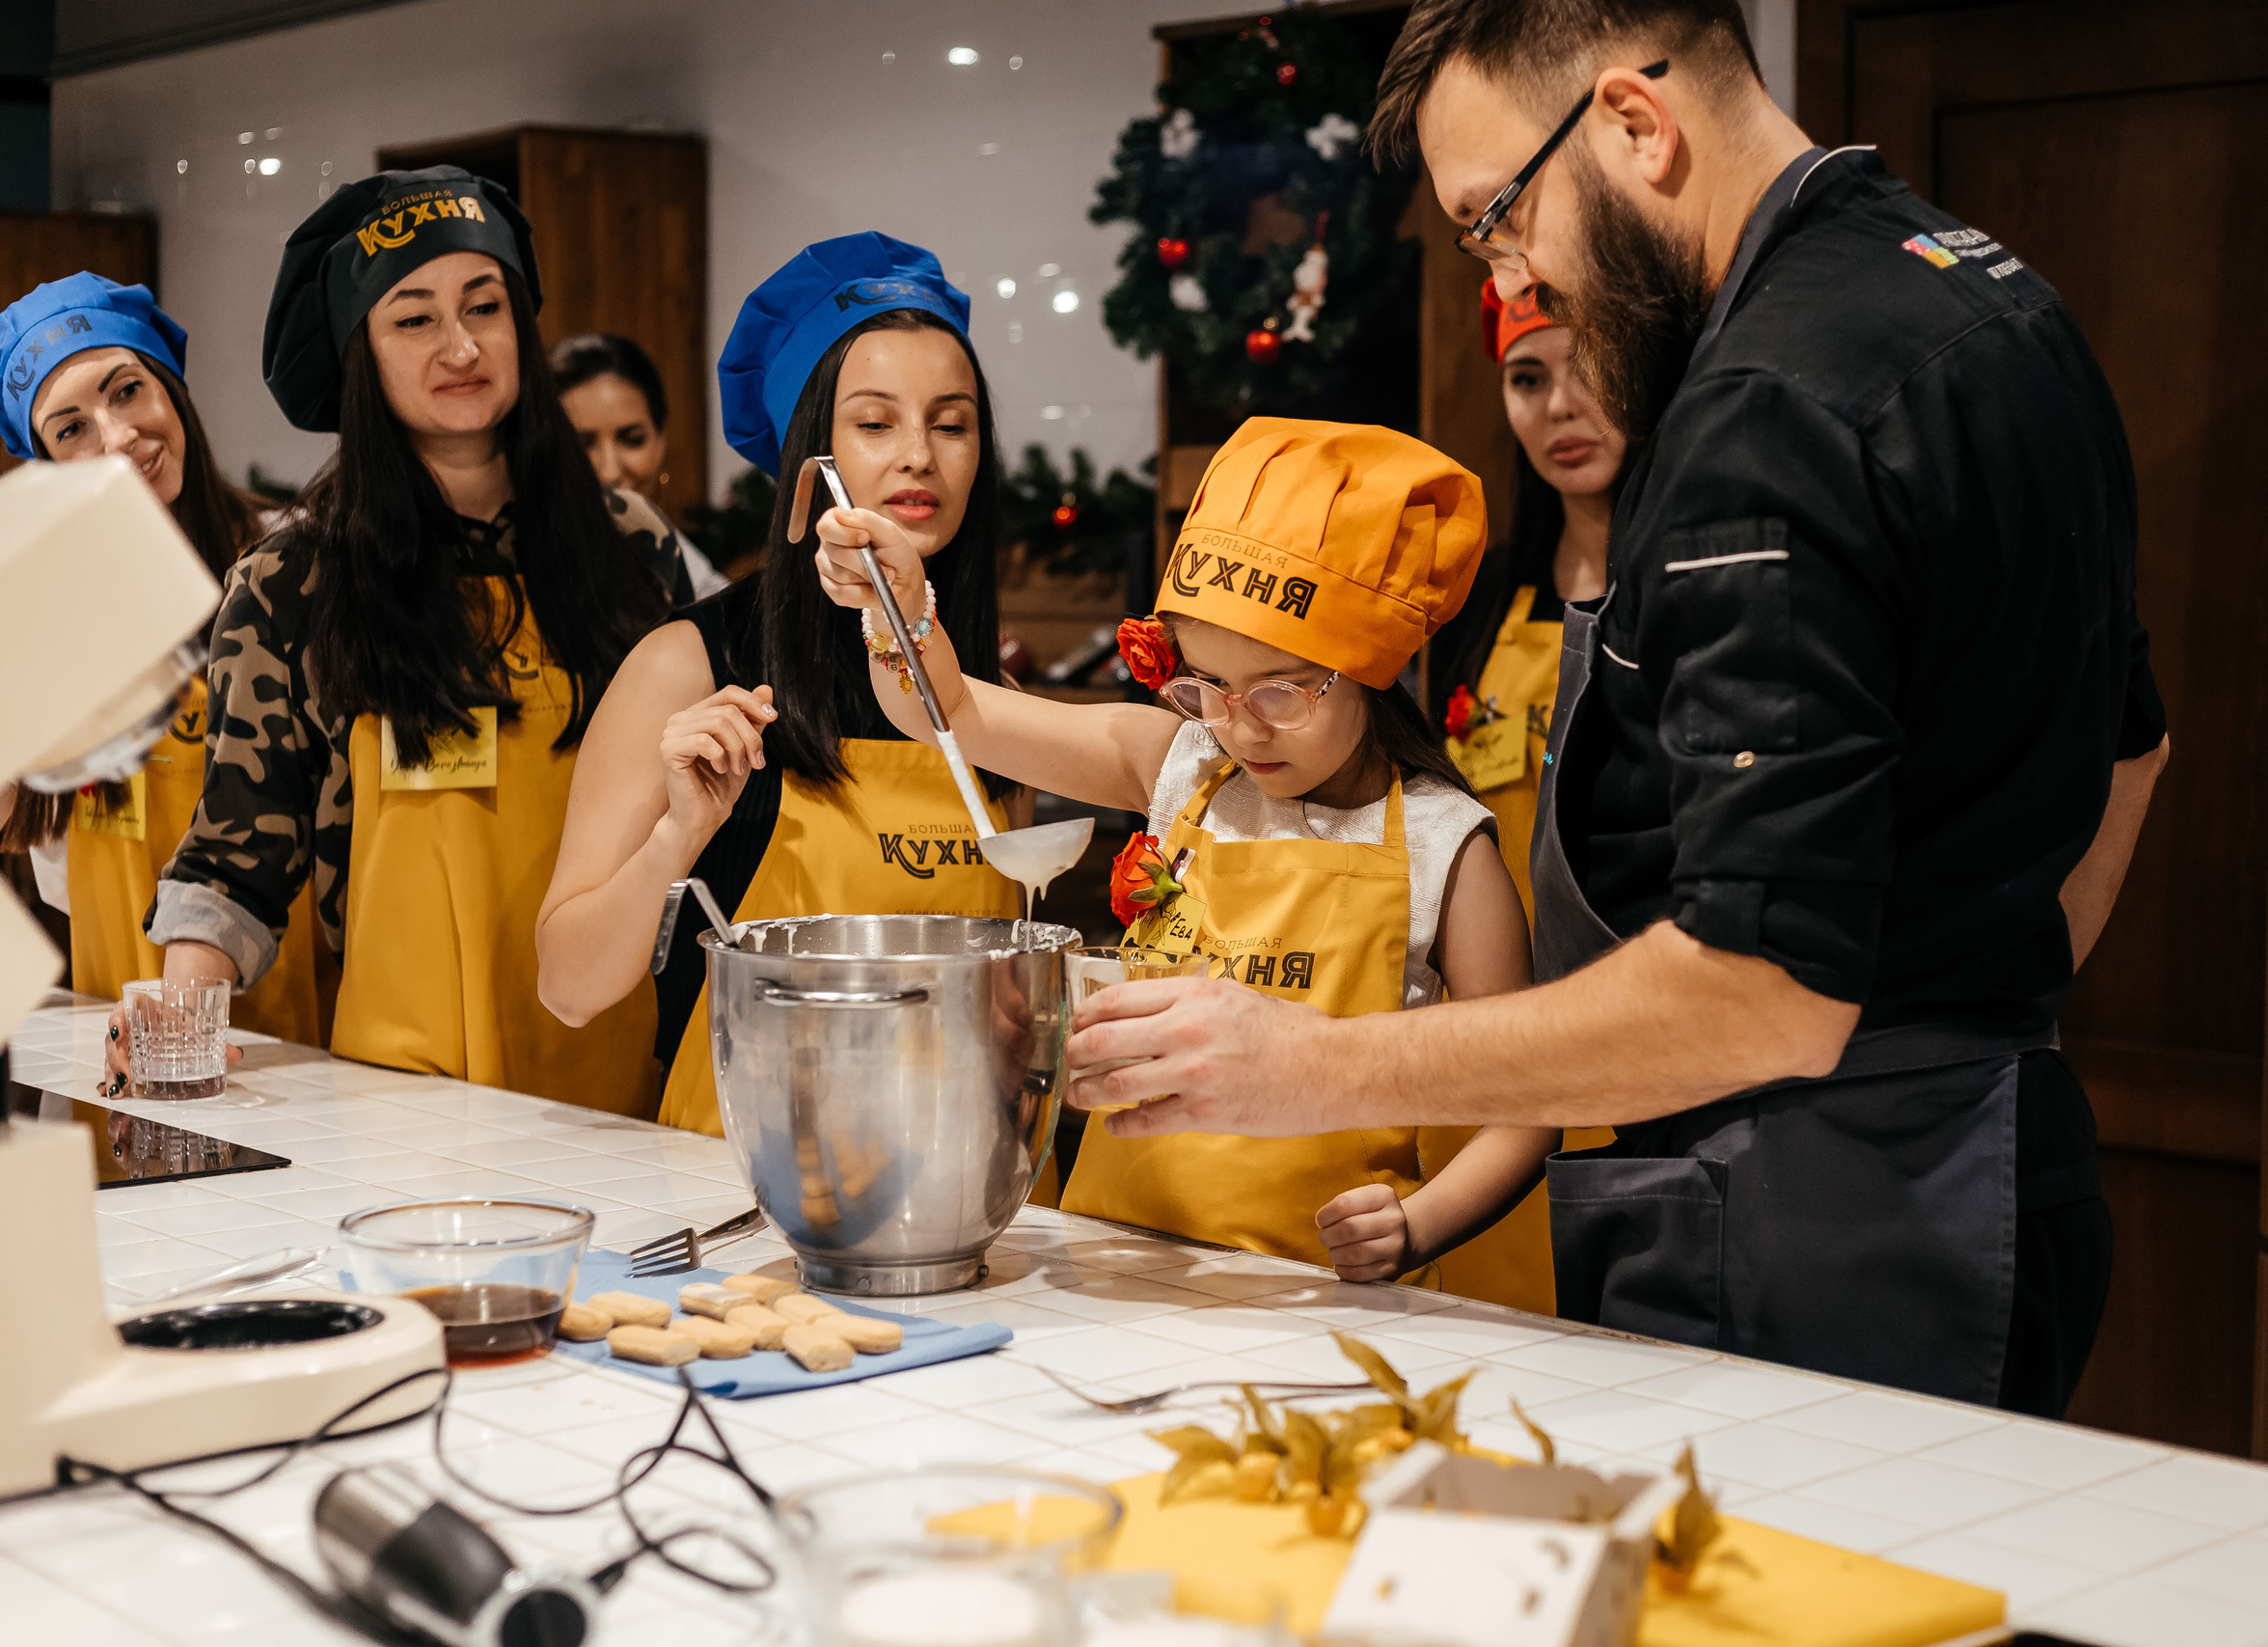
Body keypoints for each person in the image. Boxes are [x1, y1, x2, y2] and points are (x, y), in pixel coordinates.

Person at [1060, 0, 2171, 1420]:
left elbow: (1758, 985)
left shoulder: (1765, 402)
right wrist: (1970, 998)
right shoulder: (1988, 295)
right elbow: (2132, 738)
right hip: (1986, 1159)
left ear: (1637, 126)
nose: (1517, 276)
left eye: (1498, 218)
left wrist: (1304, 1066)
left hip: (1818, 1220)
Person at [816, 417, 1551, 1276]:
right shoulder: (1178, 763)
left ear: (1369, 670)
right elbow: (943, 709)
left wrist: (1418, 1223)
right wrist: (899, 610)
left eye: (1279, 693)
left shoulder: (1444, 847)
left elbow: (1529, 1101)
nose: (1238, 728)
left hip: (1311, 1300)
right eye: (1206, 686)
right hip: (1109, 1263)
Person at [119, 165, 688, 1113]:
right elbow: (235, 855)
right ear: (363, 355)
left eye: (484, 306)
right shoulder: (293, 580)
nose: (460, 345)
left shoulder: (630, 548)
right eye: (413, 317)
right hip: (401, 1098)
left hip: (619, 1082)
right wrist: (175, 1033)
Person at [536, 235, 1022, 1136]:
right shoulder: (689, 661)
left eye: (950, 424)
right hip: (749, 1196)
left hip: (970, 1189)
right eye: (876, 423)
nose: (919, 455)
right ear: (812, 454)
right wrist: (683, 830)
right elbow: (567, 984)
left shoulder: (980, 688)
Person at [0, 274, 332, 1050]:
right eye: (70, 428)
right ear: (43, 457)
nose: (115, 440)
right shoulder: (43, 617)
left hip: (308, 1042)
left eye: (127, 391)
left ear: (171, 389)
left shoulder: (296, 567)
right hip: (116, 1048)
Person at [1413, 279, 1630, 1313]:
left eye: (1588, 369)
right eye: (1528, 378)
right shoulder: (1479, 603)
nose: (1558, 407)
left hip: (1631, 1052)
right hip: (1492, 1052)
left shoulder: (1686, 593)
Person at [549, 331, 728, 599]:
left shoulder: (685, 567)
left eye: (633, 440)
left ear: (660, 441)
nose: (609, 471)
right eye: (580, 445)